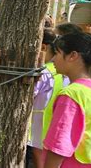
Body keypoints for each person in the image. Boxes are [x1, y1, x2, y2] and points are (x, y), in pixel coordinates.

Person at [43, 32, 91, 168]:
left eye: (57, 53)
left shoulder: (71, 94)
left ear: (73, 55)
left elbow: (59, 145)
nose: (53, 59)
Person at [28, 29, 69, 168]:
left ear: (43, 47)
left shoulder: (44, 72)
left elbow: (30, 94)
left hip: (40, 124)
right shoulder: (64, 71)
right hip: (57, 123)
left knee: (40, 160)